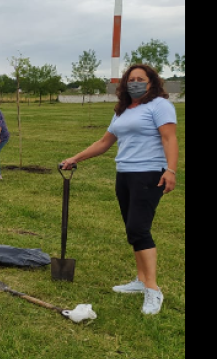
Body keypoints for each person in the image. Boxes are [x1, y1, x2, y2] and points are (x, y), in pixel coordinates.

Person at [60, 63, 178, 315]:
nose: (134, 82)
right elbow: (104, 142)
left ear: (151, 82)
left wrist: (171, 170)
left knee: (139, 228)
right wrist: (75, 158)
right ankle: (140, 280)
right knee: (132, 229)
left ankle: (153, 289)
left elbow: (169, 138)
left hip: (149, 174)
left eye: (140, 79)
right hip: (124, 174)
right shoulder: (123, 110)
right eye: (130, 79)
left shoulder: (160, 106)